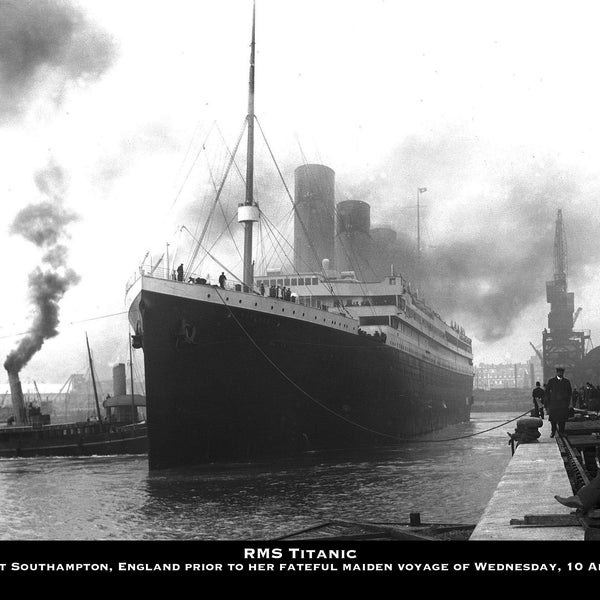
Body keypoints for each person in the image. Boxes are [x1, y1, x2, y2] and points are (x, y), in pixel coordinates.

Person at [545, 367, 573, 437]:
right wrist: (548, 401)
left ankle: (561, 432)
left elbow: (570, 392)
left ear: (563, 373)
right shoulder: (551, 381)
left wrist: (568, 402)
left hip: (563, 404)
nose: (560, 373)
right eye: (559, 372)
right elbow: (547, 392)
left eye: (561, 372)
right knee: (553, 419)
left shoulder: (566, 382)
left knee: (562, 419)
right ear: (557, 373)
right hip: (554, 403)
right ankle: (553, 431)